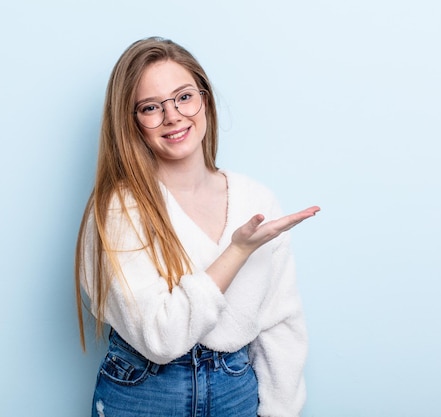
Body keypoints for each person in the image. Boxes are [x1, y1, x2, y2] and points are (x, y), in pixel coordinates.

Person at [75, 36, 320, 417]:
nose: (173, 116)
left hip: (235, 388)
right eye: (151, 107)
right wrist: (237, 250)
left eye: (184, 97)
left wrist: (281, 411)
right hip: (146, 392)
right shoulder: (120, 210)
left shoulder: (256, 200)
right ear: (131, 122)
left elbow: (280, 324)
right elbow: (162, 338)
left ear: (204, 98)